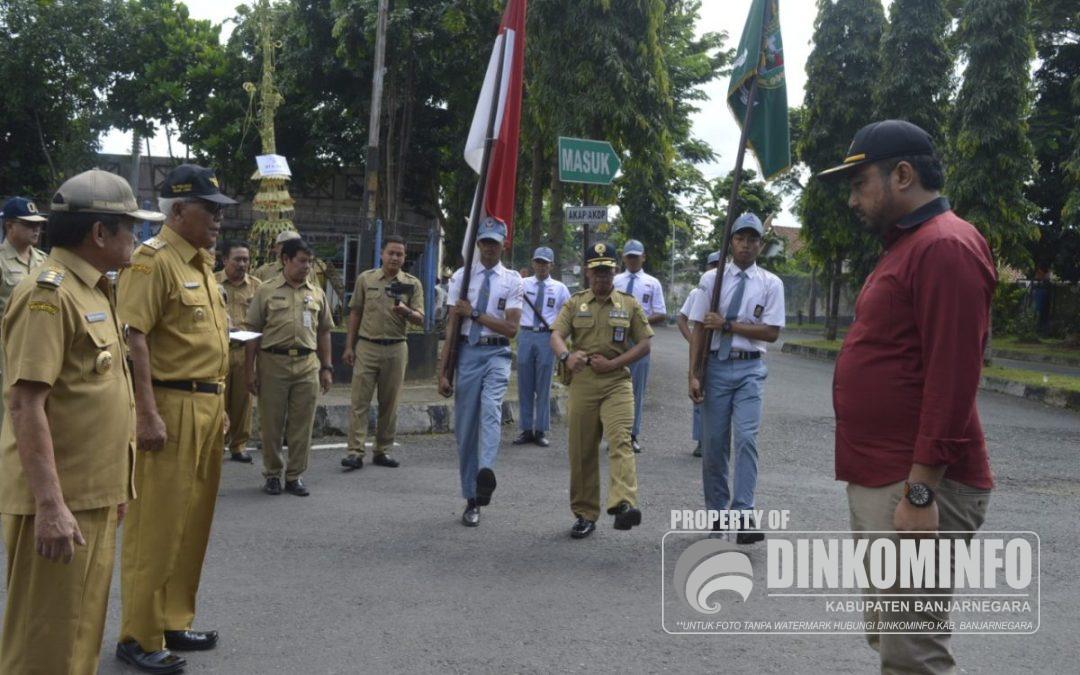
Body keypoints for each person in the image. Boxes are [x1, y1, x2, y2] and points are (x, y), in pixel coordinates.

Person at [818, 119, 996, 673]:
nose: (852, 200)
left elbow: (953, 380)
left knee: (912, 652)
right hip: (886, 476)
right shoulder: (911, 245)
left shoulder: (945, 247)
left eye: (858, 183)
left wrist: (920, 495)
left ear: (902, 174)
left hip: (919, 486)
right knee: (891, 638)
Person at [0, 170, 158, 674]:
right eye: (129, 226)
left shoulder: (96, 288)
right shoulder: (49, 294)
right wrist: (50, 505)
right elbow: (26, 404)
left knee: (79, 635)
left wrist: (114, 489)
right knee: (44, 643)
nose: (136, 236)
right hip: (61, 502)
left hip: (90, 497)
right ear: (99, 233)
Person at [116, 163, 235, 672]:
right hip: (168, 404)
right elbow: (133, 336)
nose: (217, 220)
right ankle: (138, 635)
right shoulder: (153, 260)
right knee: (156, 525)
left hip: (207, 405)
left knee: (192, 523)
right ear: (179, 210)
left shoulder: (201, 263)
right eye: (210, 209)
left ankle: (172, 618)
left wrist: (222, 405)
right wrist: (144, 412)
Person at [688, 214, 785, 544]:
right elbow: (700, 326)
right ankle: (716, 514)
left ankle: (743, 513)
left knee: (746, 439)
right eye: (740, 238)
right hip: (715, 367)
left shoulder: (771, 283)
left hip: (750, 368)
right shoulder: (711, 279)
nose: (746, 244)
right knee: (714, 445)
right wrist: (694, 373)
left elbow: (771, 332)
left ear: (761, 244)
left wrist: (729, 326)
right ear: (730, 242)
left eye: (752, 239)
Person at [550, 242, 652, 539]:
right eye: (596, 273)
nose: (601, 279)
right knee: (582, 451)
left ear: (615, 272)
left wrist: (615, 363)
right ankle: (585, 514)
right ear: (587, 273)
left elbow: (645, 343)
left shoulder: (629, 304)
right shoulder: (575, 303)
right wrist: (566, 357)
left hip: (617, 382)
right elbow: (556, 335)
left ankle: (623, 504)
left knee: (621, 440)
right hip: (582, 382)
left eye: (606, 273)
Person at [438, 217, 522, 527]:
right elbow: (451, 326)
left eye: (494, 243)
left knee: (490, 410)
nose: (488, 247)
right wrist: (443, 372)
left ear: (504, 245)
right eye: (484, 242)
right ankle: (471, 497)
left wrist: (474, 313)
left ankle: (485, 474)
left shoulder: (513, 280)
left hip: (497, 353)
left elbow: (511, 328)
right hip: (467, 355)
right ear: (478, 244)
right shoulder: (461, 277)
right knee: (465, 429)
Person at [245, 238, 334, 496]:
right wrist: (249, 370)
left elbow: (325, 332)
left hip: (307, 364)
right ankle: (272, 474)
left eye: (310, 262)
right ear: (286, 259)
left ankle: (295, 475)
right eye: (302, 261)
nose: (307, 267)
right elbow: (253, 330)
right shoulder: (267, 290)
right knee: (271, 424)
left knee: (302, 424)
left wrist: (326, 367)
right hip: (273, 363)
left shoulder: (316, 292)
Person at [341, 234, 424, 471]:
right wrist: (349, 346)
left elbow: (421, 318)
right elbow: (355, 312)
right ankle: (355, 452)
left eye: (400, 254)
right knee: (359, 402)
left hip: (397, 347)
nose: (395, 258)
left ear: (404, 257)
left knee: (390, 403)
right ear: (382, 254)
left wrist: (406, 311)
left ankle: (383, 450)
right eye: (391, 253)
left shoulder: (412, 284)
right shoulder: (366, 279)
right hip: (367, 346)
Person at [513, 246, 570, 448]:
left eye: (545, 262)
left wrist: (561, 337)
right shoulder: (522, 284)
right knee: (524, 384)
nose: (541, 266)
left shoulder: (560, 288)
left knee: (543, 386)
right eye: (538, 261)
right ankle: (526, 429)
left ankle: (541, 430)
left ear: (551, 265)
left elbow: (567, 315)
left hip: (547, 337)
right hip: (526, 334)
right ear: (532, 263)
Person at [0, 197, 48, 434]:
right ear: (10, 226)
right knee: (7, 411)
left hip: (36, 347)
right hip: (6, 348)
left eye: (38, 223)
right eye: (29, 224)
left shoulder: (43, 260)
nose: (36, 228)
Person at [613, 239, 666, 453]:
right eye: (629, 256)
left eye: (636, 256)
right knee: (613, 387)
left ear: (643, 257)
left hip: (640, 340)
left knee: (636, 390)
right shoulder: (615, 280)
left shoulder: (652, 283)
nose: (633, 260)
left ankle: (632, 435)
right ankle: (615, 434)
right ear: (623, 257)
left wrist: (637, 322)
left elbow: (661, 313)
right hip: (615, 339)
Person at [215, 241, 262, 463]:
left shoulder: (257, 287)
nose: (243, 264)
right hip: (218, 351)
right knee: (217, 400)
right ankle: (217, 443)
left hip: (245, 352)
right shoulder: (211, 282)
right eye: (237, 259)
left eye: (246, 259)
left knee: (243, 401)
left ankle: (239, 445)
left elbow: (263, 321)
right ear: (224, 260)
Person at [677, 251, 720, 458]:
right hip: (701, 350)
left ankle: (715, 439)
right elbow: (682, 319)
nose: (716, 268)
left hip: (721, 350)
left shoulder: (728, 289)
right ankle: (701, 440)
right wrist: (693, 341)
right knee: (698, 391)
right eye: (713, 264)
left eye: (720, 264)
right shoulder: (697, 292)